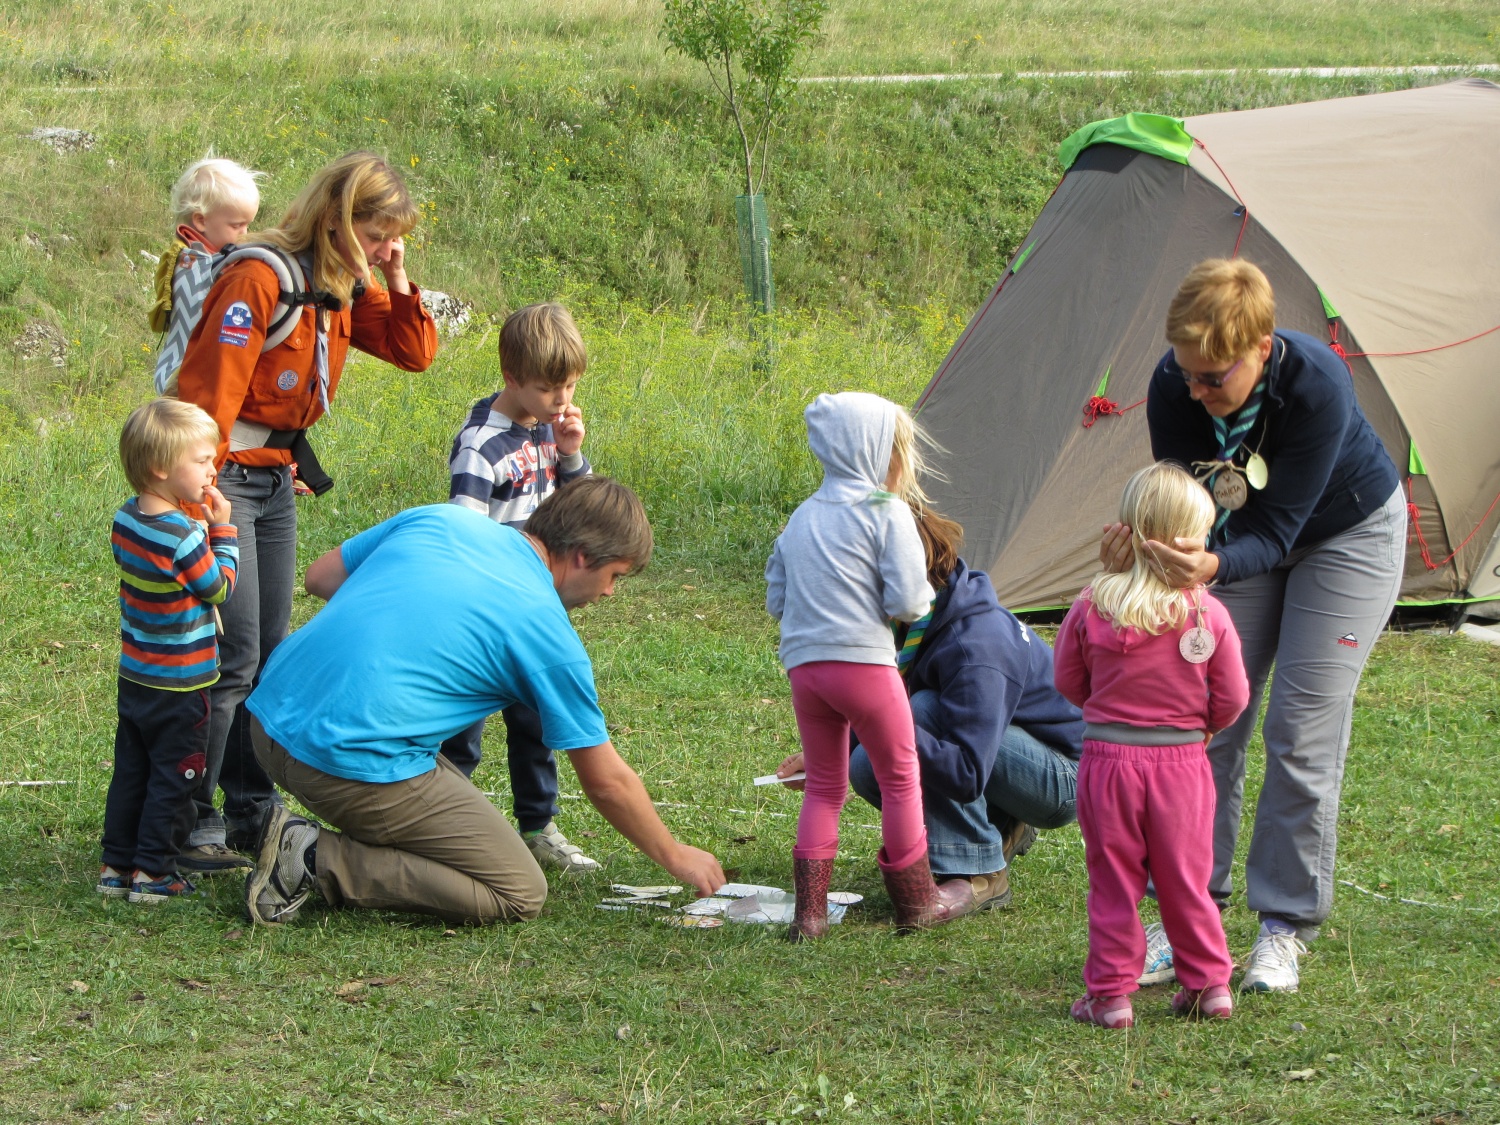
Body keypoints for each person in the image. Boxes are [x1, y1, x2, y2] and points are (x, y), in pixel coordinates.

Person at [1101, 258, 1406, 993]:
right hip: (1237, 540)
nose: (1198, 392)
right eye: (1188, 372)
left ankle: (1284, 926)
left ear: (1262, 348)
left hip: (1344, 536)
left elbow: (1273, 533)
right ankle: (1185, 917)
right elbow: (1186, 503)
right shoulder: (1175, 386)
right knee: (1205, 722)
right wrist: (1141, 545)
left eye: (1215, 378)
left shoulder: (1317, 385)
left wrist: (1206, 566)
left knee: (1300, 727)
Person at [241, 477, 725, 926]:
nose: (610, 593)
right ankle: (310, 857)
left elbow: (320, 577)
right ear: (582, 556)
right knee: (517, 889)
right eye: (615, 575)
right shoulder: (547, 635)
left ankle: (333, 838)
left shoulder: (441, 519)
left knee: (458, 827)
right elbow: (606, 782)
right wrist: (674, 853)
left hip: (266, 721)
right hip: (341, 763)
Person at [172, 151, 438, 874]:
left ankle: (250, 807)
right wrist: (199, 504)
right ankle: (189, 816)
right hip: (225, 479)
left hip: (277, 482)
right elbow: (207, 397)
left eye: (392, 238)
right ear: (338, 220)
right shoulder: (261, 279)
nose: (387, 248)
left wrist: (392, 275)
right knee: (233, 655)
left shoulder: (339, 285)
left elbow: (413, 350)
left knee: (270, 653)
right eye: (378, 235)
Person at [777, 505, 1085, 910]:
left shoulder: (976, 646)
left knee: (921, 713)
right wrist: (828, 755)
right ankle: (999, 823)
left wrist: (893, 728)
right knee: (866, 762)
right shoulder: (916, 617)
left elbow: (967, 771)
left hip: (1065, 777)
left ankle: (980, 871)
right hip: (998, 751)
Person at [766, 392, 973, 940]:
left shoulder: (802, 516)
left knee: (824, 787)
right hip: (866, 666)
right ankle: (916, 903)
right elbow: (909, 601)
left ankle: (809, 915)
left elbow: (776, 595)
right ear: (879, 453)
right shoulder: (886, 512)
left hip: (806, 670)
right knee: (901, 777)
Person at [1056, 462, 1250, 1029]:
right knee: (1187, 877)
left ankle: (1111, 996)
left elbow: (1068, 681)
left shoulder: (1094, 603)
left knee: (1113, 880)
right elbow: (1233, 695)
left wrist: (1106, 702)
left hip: (1109, 763)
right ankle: (1209, 985)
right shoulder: (1207, 613)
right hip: (1183, 765)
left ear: (1127, 529)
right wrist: (1204, 724)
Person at [438, 302, 598, 873]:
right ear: (511, 378)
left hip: (536, 607)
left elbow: (576, 508)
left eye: (571, 386)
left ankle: (537, 825)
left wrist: (572, 454)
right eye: (549, 388)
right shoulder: (482, 444)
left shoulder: (546, 431)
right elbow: (462, 531)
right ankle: (443, 823)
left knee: (536, 721)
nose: (562, 399)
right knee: (463, 729)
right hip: (485, 614)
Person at [99, 399, 239, 904]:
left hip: (136, 675)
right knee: (174, 777)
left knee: (132, 771)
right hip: (181, 684)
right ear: (162, 468)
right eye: (202, 460)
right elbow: (218, 588)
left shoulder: (126, 519)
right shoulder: (181, 535)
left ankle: (116, 864)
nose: (212, 469)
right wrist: (222, 532)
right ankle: (154, 872)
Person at [149, 156, 264, 395]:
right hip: (186, 379)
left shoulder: (190, 257)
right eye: (237, 226)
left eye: (247, 225)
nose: (245, 234)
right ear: (201, 220)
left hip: (180, 374)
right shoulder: (198, 266)